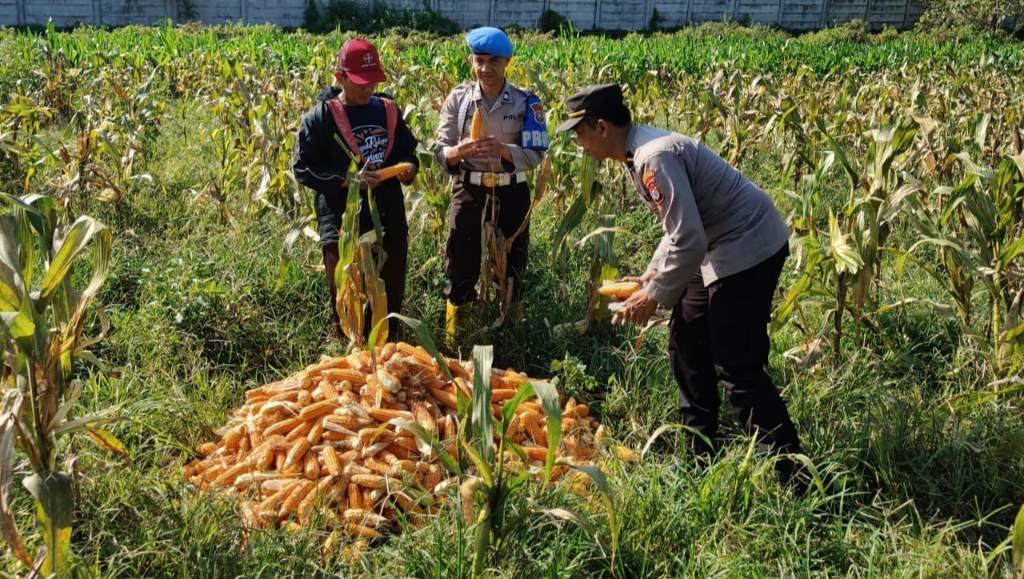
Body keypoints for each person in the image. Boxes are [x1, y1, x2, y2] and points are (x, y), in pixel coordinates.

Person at [556, 84, 805, 482]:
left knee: (735, 364)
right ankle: (697, 454)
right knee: (687, 341)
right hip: (713, 246)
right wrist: (653, 274)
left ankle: (793, 473)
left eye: (579, 132)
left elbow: (689, 238)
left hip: (747, 247)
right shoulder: (637, 150)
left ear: (601, 127)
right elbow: (678, 228)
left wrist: (652, 296)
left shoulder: (654, 158)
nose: (578, 143)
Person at [430, 26, 548, 348]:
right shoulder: (458, 99)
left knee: (512, 261)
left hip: (511, 189)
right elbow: (440, 149)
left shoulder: (527, 102)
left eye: (494, 61)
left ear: (507, 60)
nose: (486, 68)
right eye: (479, 60)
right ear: (472, 61)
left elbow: (537, 153)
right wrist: (458, 152)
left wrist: (504, 152)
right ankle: (457, 337)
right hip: (469, 187)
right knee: (460, 259)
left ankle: (510, 330)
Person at [292, 37, 419, 337]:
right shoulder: (321, 117)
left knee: (390, 286)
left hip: (387, 212)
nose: (368, 88)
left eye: (373, 80)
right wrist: (346, 180)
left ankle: (389, 342)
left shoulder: (387, 109)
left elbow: (407, 151)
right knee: (346, 290)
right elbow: (303, 167)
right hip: (342, 217)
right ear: (340, 78)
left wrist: (409, 169)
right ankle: (348, 350)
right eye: (361, 81)